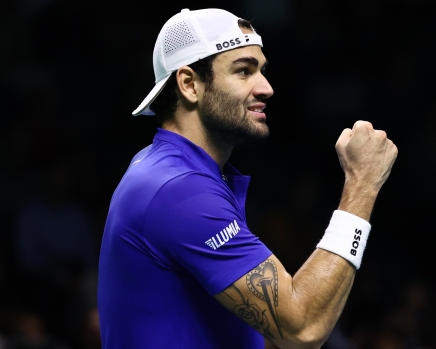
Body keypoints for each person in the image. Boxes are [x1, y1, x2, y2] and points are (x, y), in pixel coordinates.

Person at [97, 8, 398, 349]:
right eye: (243, 71)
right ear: (189, 84)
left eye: (262, 71)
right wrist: (362, 185)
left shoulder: (175, 172)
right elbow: (302, 329)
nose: (266, 88)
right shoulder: (177, 190)